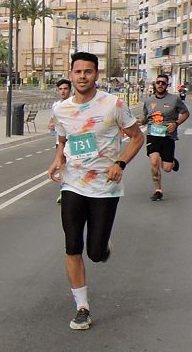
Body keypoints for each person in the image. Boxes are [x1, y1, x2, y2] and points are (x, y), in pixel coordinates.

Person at [47, 51, 144, 331]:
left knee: (95, 251)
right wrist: (57, 160)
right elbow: (63, 139)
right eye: (78, 72)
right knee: (72, 245)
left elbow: (137, 137)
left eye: (88, 72)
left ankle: (102, 246)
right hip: (74, 183)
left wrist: (121, 162)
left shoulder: (113, 105)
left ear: (96, 75)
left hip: (105, 186)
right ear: (71, 73)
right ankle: (82, 307)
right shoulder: (61, 109)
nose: (82, 77)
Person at [139, 73, 190, 202]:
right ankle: (158, 190)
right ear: (155, 85)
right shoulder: (149, 101)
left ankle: (173, 162)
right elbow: (145, 118)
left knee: (166, 168)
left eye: (163, 83)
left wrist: (176, 123)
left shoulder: (175, 99)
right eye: (158, 83)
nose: (160, 85)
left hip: (168, 136)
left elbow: (185, 113)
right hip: (152, 135)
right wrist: (139, 121)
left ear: (167, 85)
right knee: (154, 161)